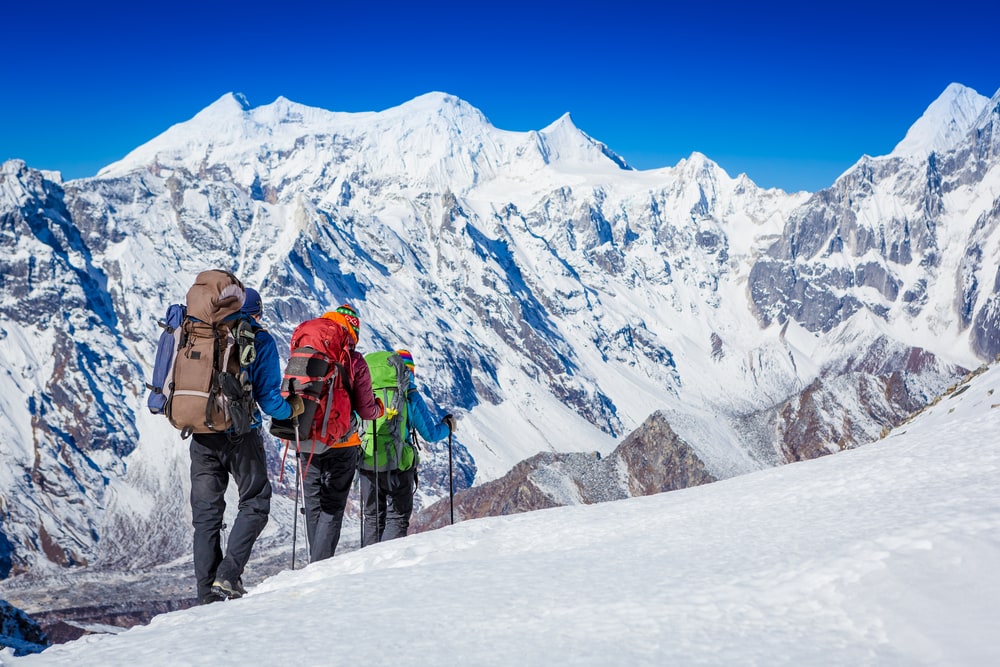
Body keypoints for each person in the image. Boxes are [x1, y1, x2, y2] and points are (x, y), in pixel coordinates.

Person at [191, 287, 304, 604]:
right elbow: (269, 401)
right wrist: (292, 407)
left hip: (201, 432)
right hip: (242, 435)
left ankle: (206, 597)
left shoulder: (201, 333)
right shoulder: (259, 338)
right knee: (255, 502)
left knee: (206, 517)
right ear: (256, 313)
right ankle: (227, 576)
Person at [300, 304, 385, 562]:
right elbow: (367, 410)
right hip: (342, 442)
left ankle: (314, 561)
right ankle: (319, 567)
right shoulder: (354, 359)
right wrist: (379, 409)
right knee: (333, 506)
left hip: (307, 439)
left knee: (314, 504)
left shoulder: (306, 350)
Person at [360, 349, 455, 545]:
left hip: (367, 461)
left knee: (372, 518)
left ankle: (368, 569)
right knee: (397, 517)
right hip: (399, 465)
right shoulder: (410, 394)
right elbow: (430, 434)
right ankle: (387, 566)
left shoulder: (365, 389)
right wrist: (448, 427)